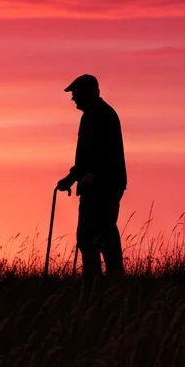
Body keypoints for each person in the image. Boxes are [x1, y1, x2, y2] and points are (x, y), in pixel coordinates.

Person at [57, 74, 126, 284]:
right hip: (96, 186)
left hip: (103, 186)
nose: (73, 99)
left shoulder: (101, 115)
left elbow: (100, 155)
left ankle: (108, 281)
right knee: (90, 237)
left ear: (89, 93)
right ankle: (97, 281)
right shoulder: (93, 115)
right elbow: (87, 157)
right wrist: (73, 177)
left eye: (75, 94)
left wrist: (82, 176)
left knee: (101, 235)